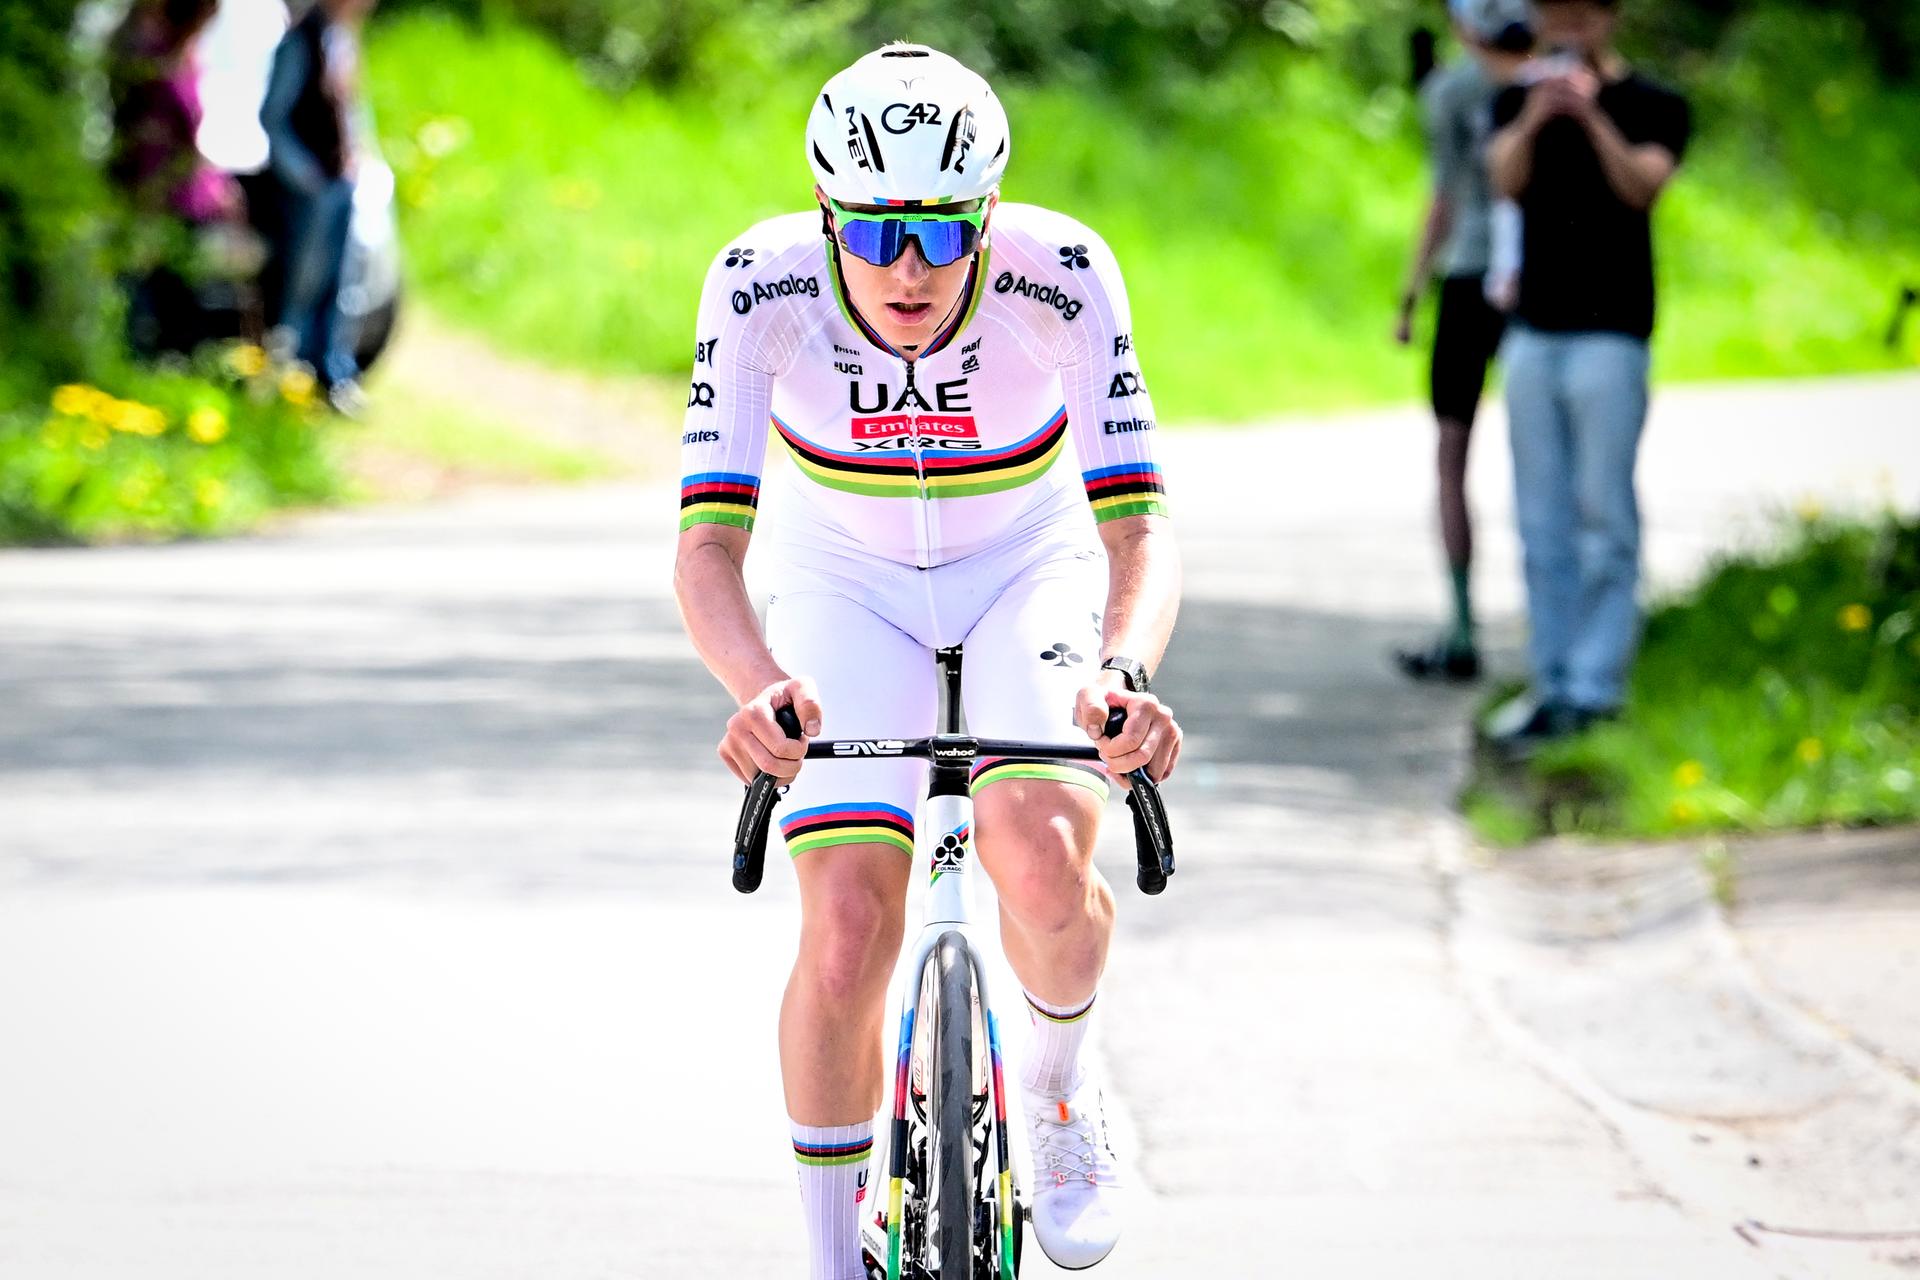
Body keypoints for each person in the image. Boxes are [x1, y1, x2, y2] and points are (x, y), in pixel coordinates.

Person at [673, 43, 1182, 1279]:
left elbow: (1138, 528)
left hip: (1024, 561)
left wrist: (1122, 674)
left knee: (1042, 853)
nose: (910, 267)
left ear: (989, 220)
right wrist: (757, 691)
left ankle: (1059, 1091)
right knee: (846, 920)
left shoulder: (1061, 275)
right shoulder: (759, 284)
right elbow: (706, 552)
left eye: (947, 236)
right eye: (879, 231)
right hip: (845, 574)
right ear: (826, 210)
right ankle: (827, 1260)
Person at [1485, 0, 1690, 752]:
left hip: (1612, 334)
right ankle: (1552, 682)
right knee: (1541, 519)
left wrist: (1594, 115)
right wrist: (1540, 116)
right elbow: (1502, 182)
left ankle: (1599, 686)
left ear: (1609, 18)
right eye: (1554, 12)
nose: (1568, 26)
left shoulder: (1653, 104)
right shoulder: (1516, 98)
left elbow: (1643, 187)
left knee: (1604, 513)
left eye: (1582, 12)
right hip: (1534, 333)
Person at [1393, 0, 1535, 683]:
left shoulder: (1448, 89)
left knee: (1453, 453)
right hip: (1536, 279)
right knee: (1541, 451)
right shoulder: (1551, 76)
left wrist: (1412, 291)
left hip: (1468, 275)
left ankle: (1461, 624)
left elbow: (1443, 195)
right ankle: (1545, 632)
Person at [108, 0, 251, 354]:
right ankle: (146, 360)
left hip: (184, 191)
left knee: (182, 293)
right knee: (151, 287)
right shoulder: (152, 54)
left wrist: (218, 185)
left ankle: (170, 364)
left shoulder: (184, 56)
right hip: (155, 188)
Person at [259, 0, 375, 412]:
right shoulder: (300, 41)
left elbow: (350, 111)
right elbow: (273, 117)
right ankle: (288, 372)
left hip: (339, 183)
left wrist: (355, 159)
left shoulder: (343, 41)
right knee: (301, 284)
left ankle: (332, 372)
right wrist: (304, 177)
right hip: (309, 191)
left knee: (341, 283)